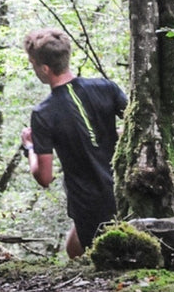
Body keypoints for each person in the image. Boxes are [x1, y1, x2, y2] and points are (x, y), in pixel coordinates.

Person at [20, 28, 128, 259]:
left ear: (45, 68)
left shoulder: (43, 113)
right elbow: (139, 124)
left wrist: (29, 147)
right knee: (74, 250)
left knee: (101, 264)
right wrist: (111, 135)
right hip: (124, 189)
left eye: (33, 63)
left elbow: (44, 177)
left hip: (88, 202)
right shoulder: (105, 87)